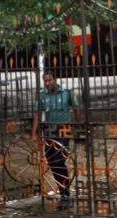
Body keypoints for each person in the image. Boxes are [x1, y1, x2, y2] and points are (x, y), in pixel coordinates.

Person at [31, 72, 81, 206]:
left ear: (55, 80)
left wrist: (79, 127)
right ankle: (62, 190)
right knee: (51, 162)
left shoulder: (67, 92)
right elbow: (37, 114)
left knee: (59, 160)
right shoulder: (42, 94)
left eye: (49, 80)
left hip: (64, 129)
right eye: (45, 81)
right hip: (49, 131)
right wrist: (34, 133)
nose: (47, 83)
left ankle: (65, 193)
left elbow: (76, 109)